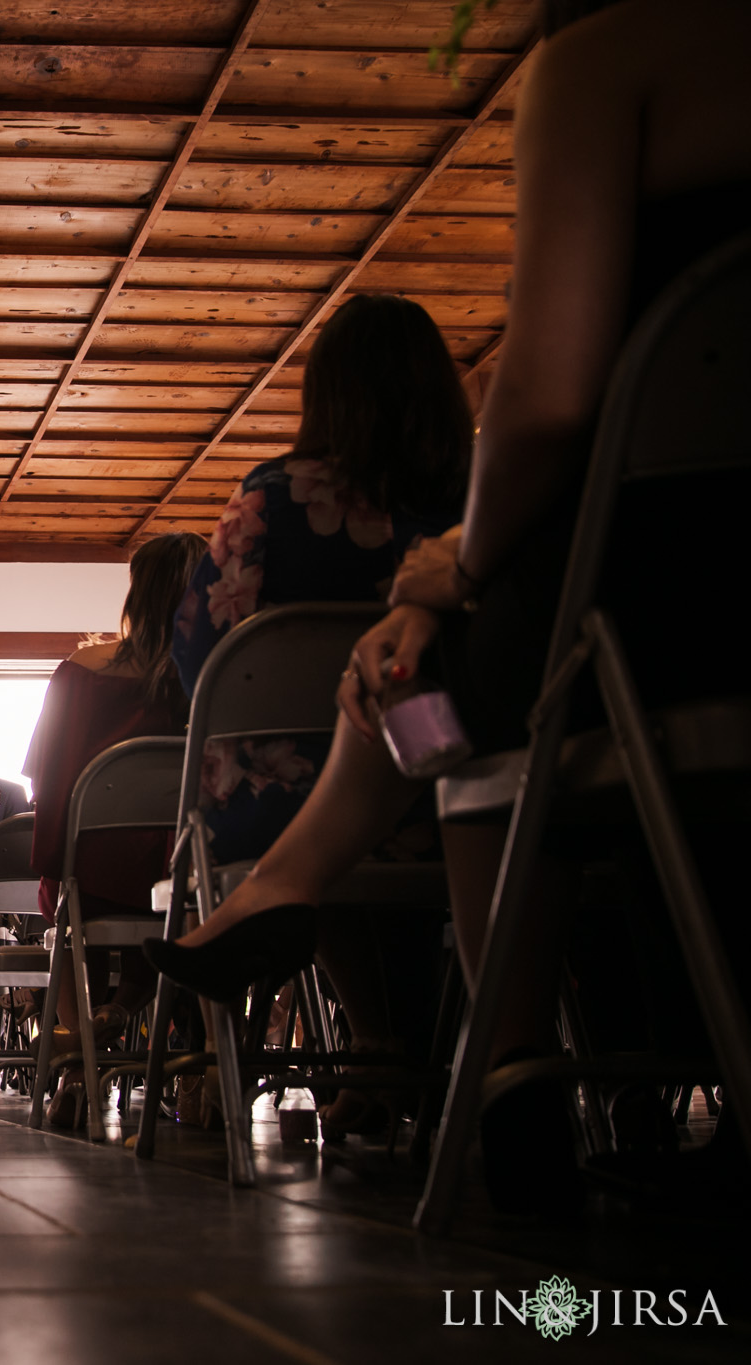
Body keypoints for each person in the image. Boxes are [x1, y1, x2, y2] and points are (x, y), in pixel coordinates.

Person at [147, 0, 751, 1212]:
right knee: (434, 666)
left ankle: (506, 1073)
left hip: (651, 623)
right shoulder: (436, 488)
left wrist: (459, 573)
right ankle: (416, 1022)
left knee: (436, 707)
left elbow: (547, 399)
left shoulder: (617, 55)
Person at [169, 292, 472, 863]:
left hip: (286, 800)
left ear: (324, 394)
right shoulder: (484, 508)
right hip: (457, 774)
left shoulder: (274, 501)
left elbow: (204, 663)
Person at [25, 533, 207, 1076]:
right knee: (181, 901)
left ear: (136, 592)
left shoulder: (80, 671)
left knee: (70, 902)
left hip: (91, 879)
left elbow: (43, 782)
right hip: (188, 876)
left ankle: (81, 1061)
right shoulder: (215, 670)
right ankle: (155, 1031)